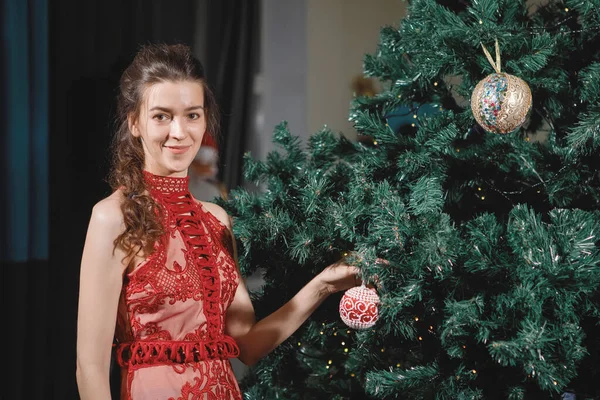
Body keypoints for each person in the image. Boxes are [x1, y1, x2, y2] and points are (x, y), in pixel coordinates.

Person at [75, 43, 360, 400]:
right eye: (161, 116)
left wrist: (323, 286)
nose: (179, 132)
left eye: (192, 115)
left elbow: (248, 344)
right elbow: (89, 366)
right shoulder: (113, 216)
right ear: (134, 122)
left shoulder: (216, 219)